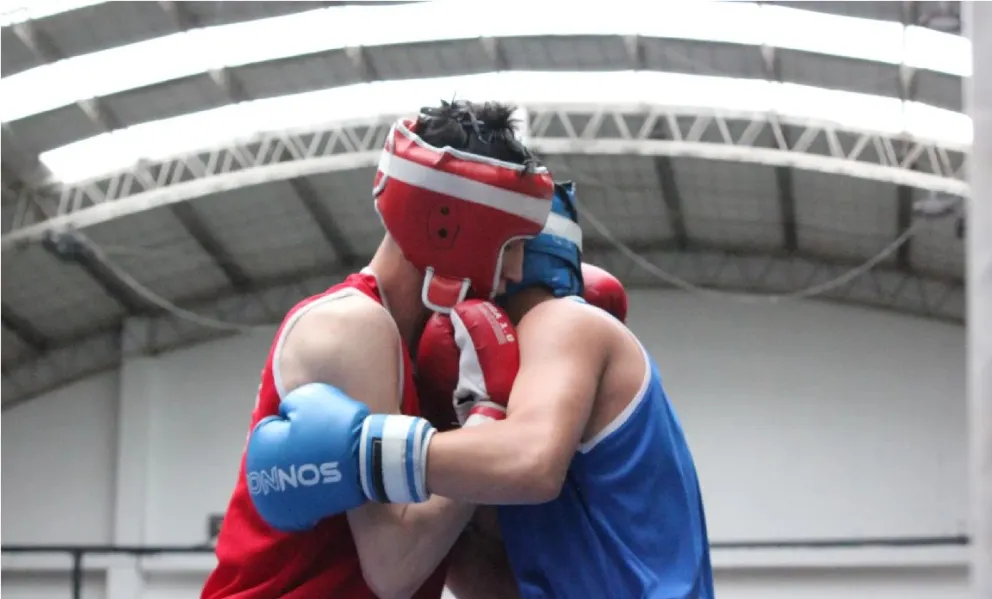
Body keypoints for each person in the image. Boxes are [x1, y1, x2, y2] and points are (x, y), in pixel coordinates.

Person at [246, 181, 713, 598]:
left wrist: (358, 454)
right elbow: (489, 578)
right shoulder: (499, 402)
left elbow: (532, 463)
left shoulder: (565, 322)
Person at [201, 100, 556, 599]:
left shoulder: (423, 347)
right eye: (512, 245)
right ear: (448, 226)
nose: (516, 272)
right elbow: (393, 567)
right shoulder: (353, 326)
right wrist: (490, 423)